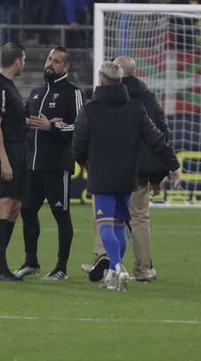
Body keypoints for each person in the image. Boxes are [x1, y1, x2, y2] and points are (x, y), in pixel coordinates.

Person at [72, 62, 180, 292]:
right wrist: (173, 165)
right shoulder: (136, 108)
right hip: (128, 177)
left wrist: (83, 161)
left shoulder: (91, 109)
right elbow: (157, 139)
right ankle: (112, 273)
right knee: (120, 224)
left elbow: (78, 142)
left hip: (102, 175)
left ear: (101, 81)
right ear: (120, 81)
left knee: (105, 224)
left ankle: (119, 268)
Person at [16, 46, 83, 281]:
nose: (50, 64)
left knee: (60, 214)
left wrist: (52, 126)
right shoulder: (36, 92)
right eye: (49, 59)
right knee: (27, 210)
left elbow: (79, 127)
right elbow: (23, 120)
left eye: (56, 61)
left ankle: (61, 267)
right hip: (32, 164)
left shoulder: (72, 92)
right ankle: (31, 261)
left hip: (56, 165)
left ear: (66, 67)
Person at [0, 42, 27, 282]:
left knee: (14, 208)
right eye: (24, 60)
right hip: (7, 153)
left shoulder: (8, 86)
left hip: (17, 151)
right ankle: (0, 268)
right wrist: (4, 161)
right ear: (18, 61)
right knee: (3, 205)